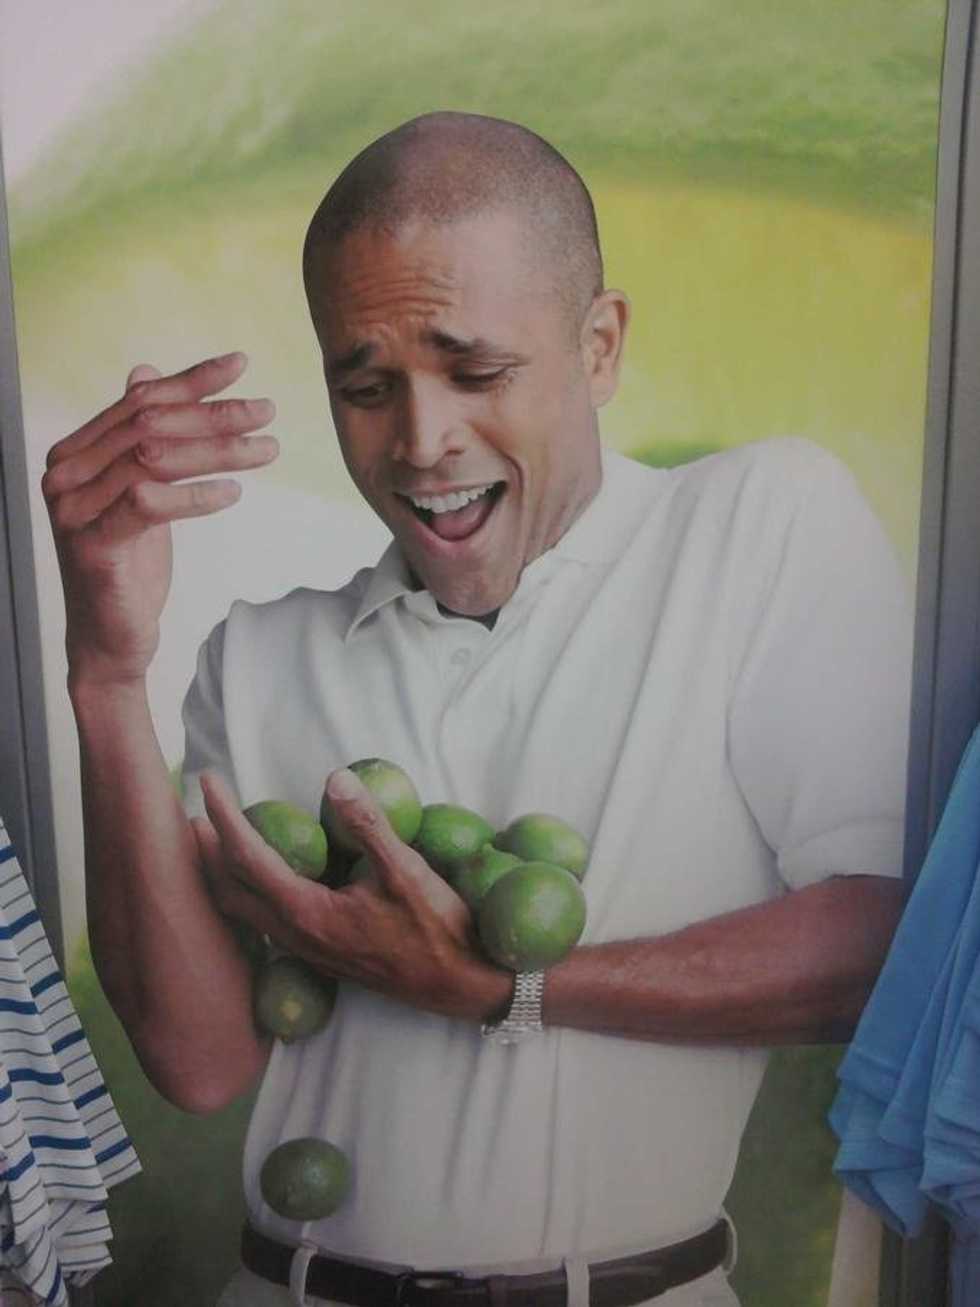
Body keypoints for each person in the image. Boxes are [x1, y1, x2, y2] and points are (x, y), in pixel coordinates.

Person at [42, 112, 912, 1306]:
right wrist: (104, 670)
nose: (420, 441)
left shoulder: (756, 527)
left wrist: (504, 985)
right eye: (365, 387)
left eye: (476, 371)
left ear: (597, 346)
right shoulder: (258, 656)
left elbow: (879, 945)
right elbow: (197, 1061)